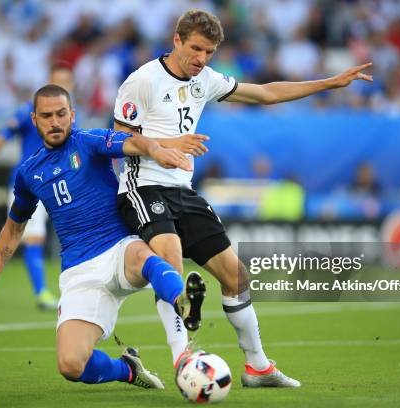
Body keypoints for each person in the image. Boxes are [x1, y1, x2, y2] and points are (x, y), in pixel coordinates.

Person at [113, 8, 373, 388]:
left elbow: (265, 93)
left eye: (210, 52)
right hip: (142, 187)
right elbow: (118, 141)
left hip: (182, 191)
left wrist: (330, 83)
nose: (202, 59)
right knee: (170, 262)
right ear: (177, 41)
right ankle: (183, 357)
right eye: (197, 49)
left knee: (236, 275)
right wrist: (166, 145)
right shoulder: (142, 81)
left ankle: (258, 366)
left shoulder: (206, 80)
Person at [0, 84, 203, 389]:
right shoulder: (28, 173)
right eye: (47, 116)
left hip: (119, 248)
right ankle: (127, 369)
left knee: (145, 257)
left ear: (72, 115)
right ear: (34, 119)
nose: (55, 122)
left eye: (61, 114)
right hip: (79, 272)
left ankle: (182, 302)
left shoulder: (89, 141)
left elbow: (133, 141)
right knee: (71, 364)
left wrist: (157, 149)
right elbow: (13, 228)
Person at [0, 65, 75, 311]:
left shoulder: (72, 118)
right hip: (29, 185)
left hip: (54, 185)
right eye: (58, 81)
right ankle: (42, 293)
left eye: (66, 82)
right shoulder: (27, 113)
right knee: (33, 236)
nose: (62, 85)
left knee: (10, 237)